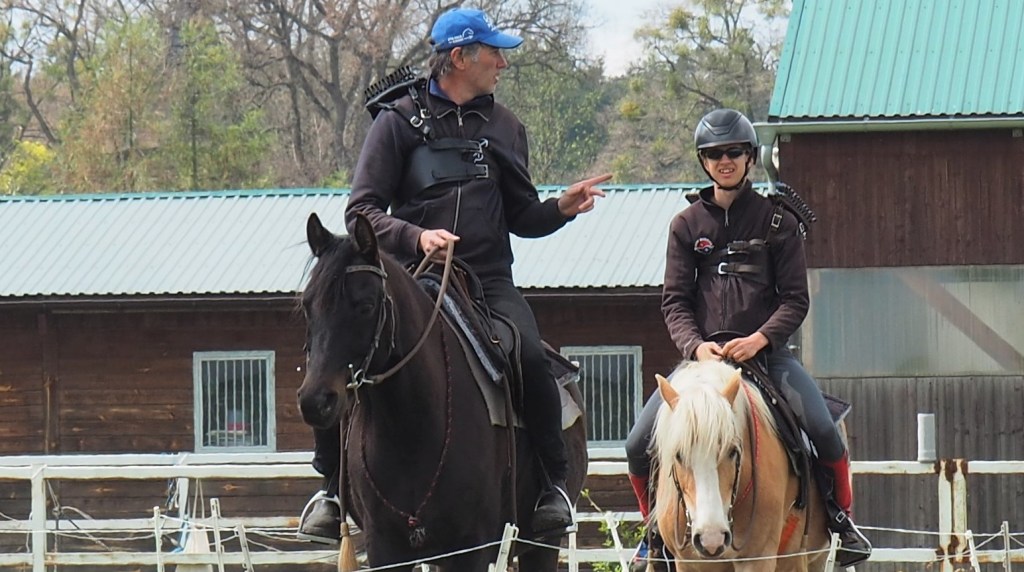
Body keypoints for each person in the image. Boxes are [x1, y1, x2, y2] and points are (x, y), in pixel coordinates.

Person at [296, 7, 612, 544]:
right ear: (461, 57)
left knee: (530, 354)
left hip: (487, 283)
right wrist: (416, 238)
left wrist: (560, 207)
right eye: (494, 53)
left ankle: (551, 488)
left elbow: (523, 217)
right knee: (339, 343)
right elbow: (360, 212)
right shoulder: (396, 121)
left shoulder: (507, 127)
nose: (502, 65)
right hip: (412, 279)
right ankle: (331, 487)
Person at [623, 109, 872, 568]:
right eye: (714, 154)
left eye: (734, 152)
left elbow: (795, 299)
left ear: (750, 158)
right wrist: (696, 346)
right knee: (638, 441)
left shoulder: (779, 222)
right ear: (703, 161)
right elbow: (674, 302)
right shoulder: (685, 225)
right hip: (702, 362)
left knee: (822, 428)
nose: (725, 161)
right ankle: (654, 534)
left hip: (767, 357)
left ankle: (841, 520)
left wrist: (759, 339)